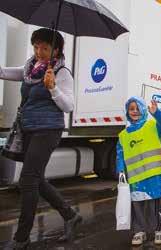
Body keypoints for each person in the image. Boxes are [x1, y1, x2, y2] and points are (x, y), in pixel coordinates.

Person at [0, 28, 81, 249]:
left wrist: (53, 88)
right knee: (35, 179)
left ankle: (22, 238)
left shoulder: (62, 71)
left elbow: (69, 106)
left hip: (48, 130)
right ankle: (70, 215)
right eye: (36, 46)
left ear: (56, 49)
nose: (39, 51)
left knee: (28, 179)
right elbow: (7, 73)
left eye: (45, 48)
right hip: (28, 128)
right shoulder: (30, 67)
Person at [116, 97, 161, 246]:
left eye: (137, 108)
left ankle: (158, 229)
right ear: (127, 112)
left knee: (155, 204)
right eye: (131, 109)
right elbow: (120, 154)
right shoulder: (123, 135)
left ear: (143, 109)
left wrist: (157, 113)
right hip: (135, 177)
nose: (135, 111)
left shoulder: (153, 125)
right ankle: (138, 231)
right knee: (137, 204)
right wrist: (121, 170)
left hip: (154, 175)